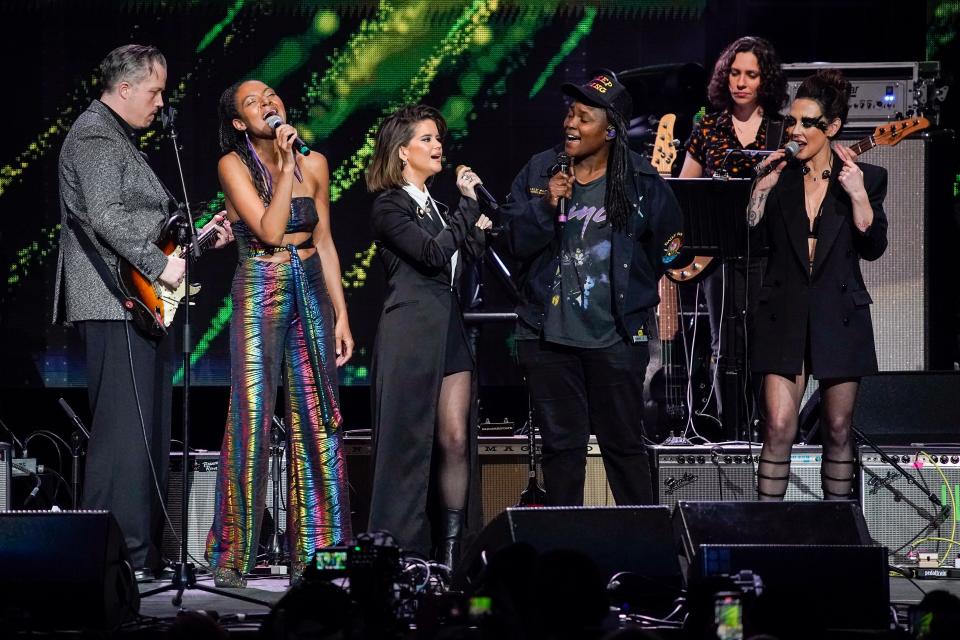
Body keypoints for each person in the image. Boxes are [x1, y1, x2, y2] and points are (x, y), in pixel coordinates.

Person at [53, 44, 232, 580]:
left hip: (135, 300)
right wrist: (161, 262)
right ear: (125, 88)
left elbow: (139, 226)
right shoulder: (94, 135)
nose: (160, 103)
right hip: (112, 300)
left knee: (145, 434)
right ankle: (119, 559)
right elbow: (107, 217)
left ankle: (137, 556)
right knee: (125, 436)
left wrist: (197, 244)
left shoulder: (119, 140)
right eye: (154, 91)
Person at [499, 72, 684, 506]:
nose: (571, 124)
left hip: (615, 338)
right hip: (548, 339)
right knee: (562, 452)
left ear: (611, 129)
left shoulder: (641, 181)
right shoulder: (539, 171)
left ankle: (644, 551)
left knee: (624, 449)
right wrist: (547, 206)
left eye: (584, 117)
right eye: (570, 113)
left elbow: (671, 248)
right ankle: (568, 557)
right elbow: (512, 242)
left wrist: (637, 298)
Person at [205, 79, 354, 587]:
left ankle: (321, 555)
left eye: (270, 94)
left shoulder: (315, 161)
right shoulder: (234, 165)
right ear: (238, 123)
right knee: (252, 415)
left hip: (309, 279)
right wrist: (287, 170)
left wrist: (342, 313)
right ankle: (232, 554)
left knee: (318, 419)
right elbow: (269, 230)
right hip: (262, 279)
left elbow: (326, 240)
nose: (267, 103)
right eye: (252, 101)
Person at [746, 69, 888, 500]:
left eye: (808, 122)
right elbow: (750, 242)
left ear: (832, 128)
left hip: (839, 316)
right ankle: (767, 536)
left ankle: (838, 533)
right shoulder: (780, 177)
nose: (796, 130)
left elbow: (874, 245)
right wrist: (760, 191)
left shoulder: (867, 176)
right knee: (777, 427)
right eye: (793, 121)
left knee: (839, 429)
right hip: (783, 313)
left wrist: (859, 194)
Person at [366, 104, 491, 569]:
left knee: (456, 437)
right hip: (411, 331)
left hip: (450, 328)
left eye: (438, 138)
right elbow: (433, 255)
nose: (438, 146)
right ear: (402, 153)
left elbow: (464, 257)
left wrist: (479, 229)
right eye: (426, 139)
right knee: (409, 440)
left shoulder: (438, 207)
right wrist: (468, 210)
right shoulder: (389, 206)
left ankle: (454, 551)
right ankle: (403, 550)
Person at [679, 36, 788, 428]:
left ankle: (766, 432)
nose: (741, 82)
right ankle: (732, 431)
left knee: (765, 346)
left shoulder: (783, 129)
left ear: (765, 80)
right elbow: (684, 194)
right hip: (720, 258)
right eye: (735, 73)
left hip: (769, 255)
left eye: (751, 75)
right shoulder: (708, 128)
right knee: (724, 348)